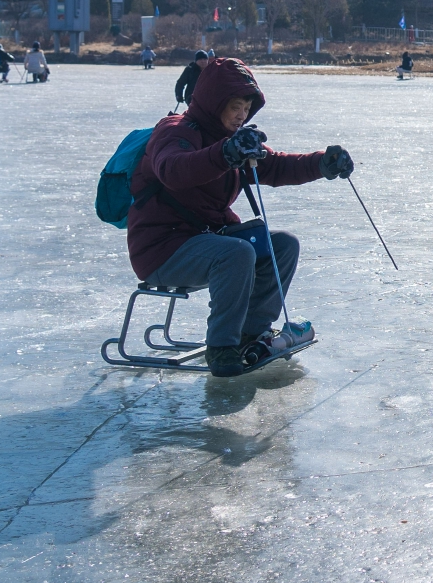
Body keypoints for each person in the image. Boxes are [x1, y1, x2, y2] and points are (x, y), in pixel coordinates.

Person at [126, 56, 352, 377]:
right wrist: (225, 154)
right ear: (214, 101)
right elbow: (173, 169)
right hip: (162, 250)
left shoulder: (235, 140)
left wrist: (322, 164)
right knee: (238, 252)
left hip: (207, 241)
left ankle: (251, 331)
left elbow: (275, 166)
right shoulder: (175, 130)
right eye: (235, 106)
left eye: (246, 108)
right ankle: (222, 347)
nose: (241, 115)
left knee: (283, 245)